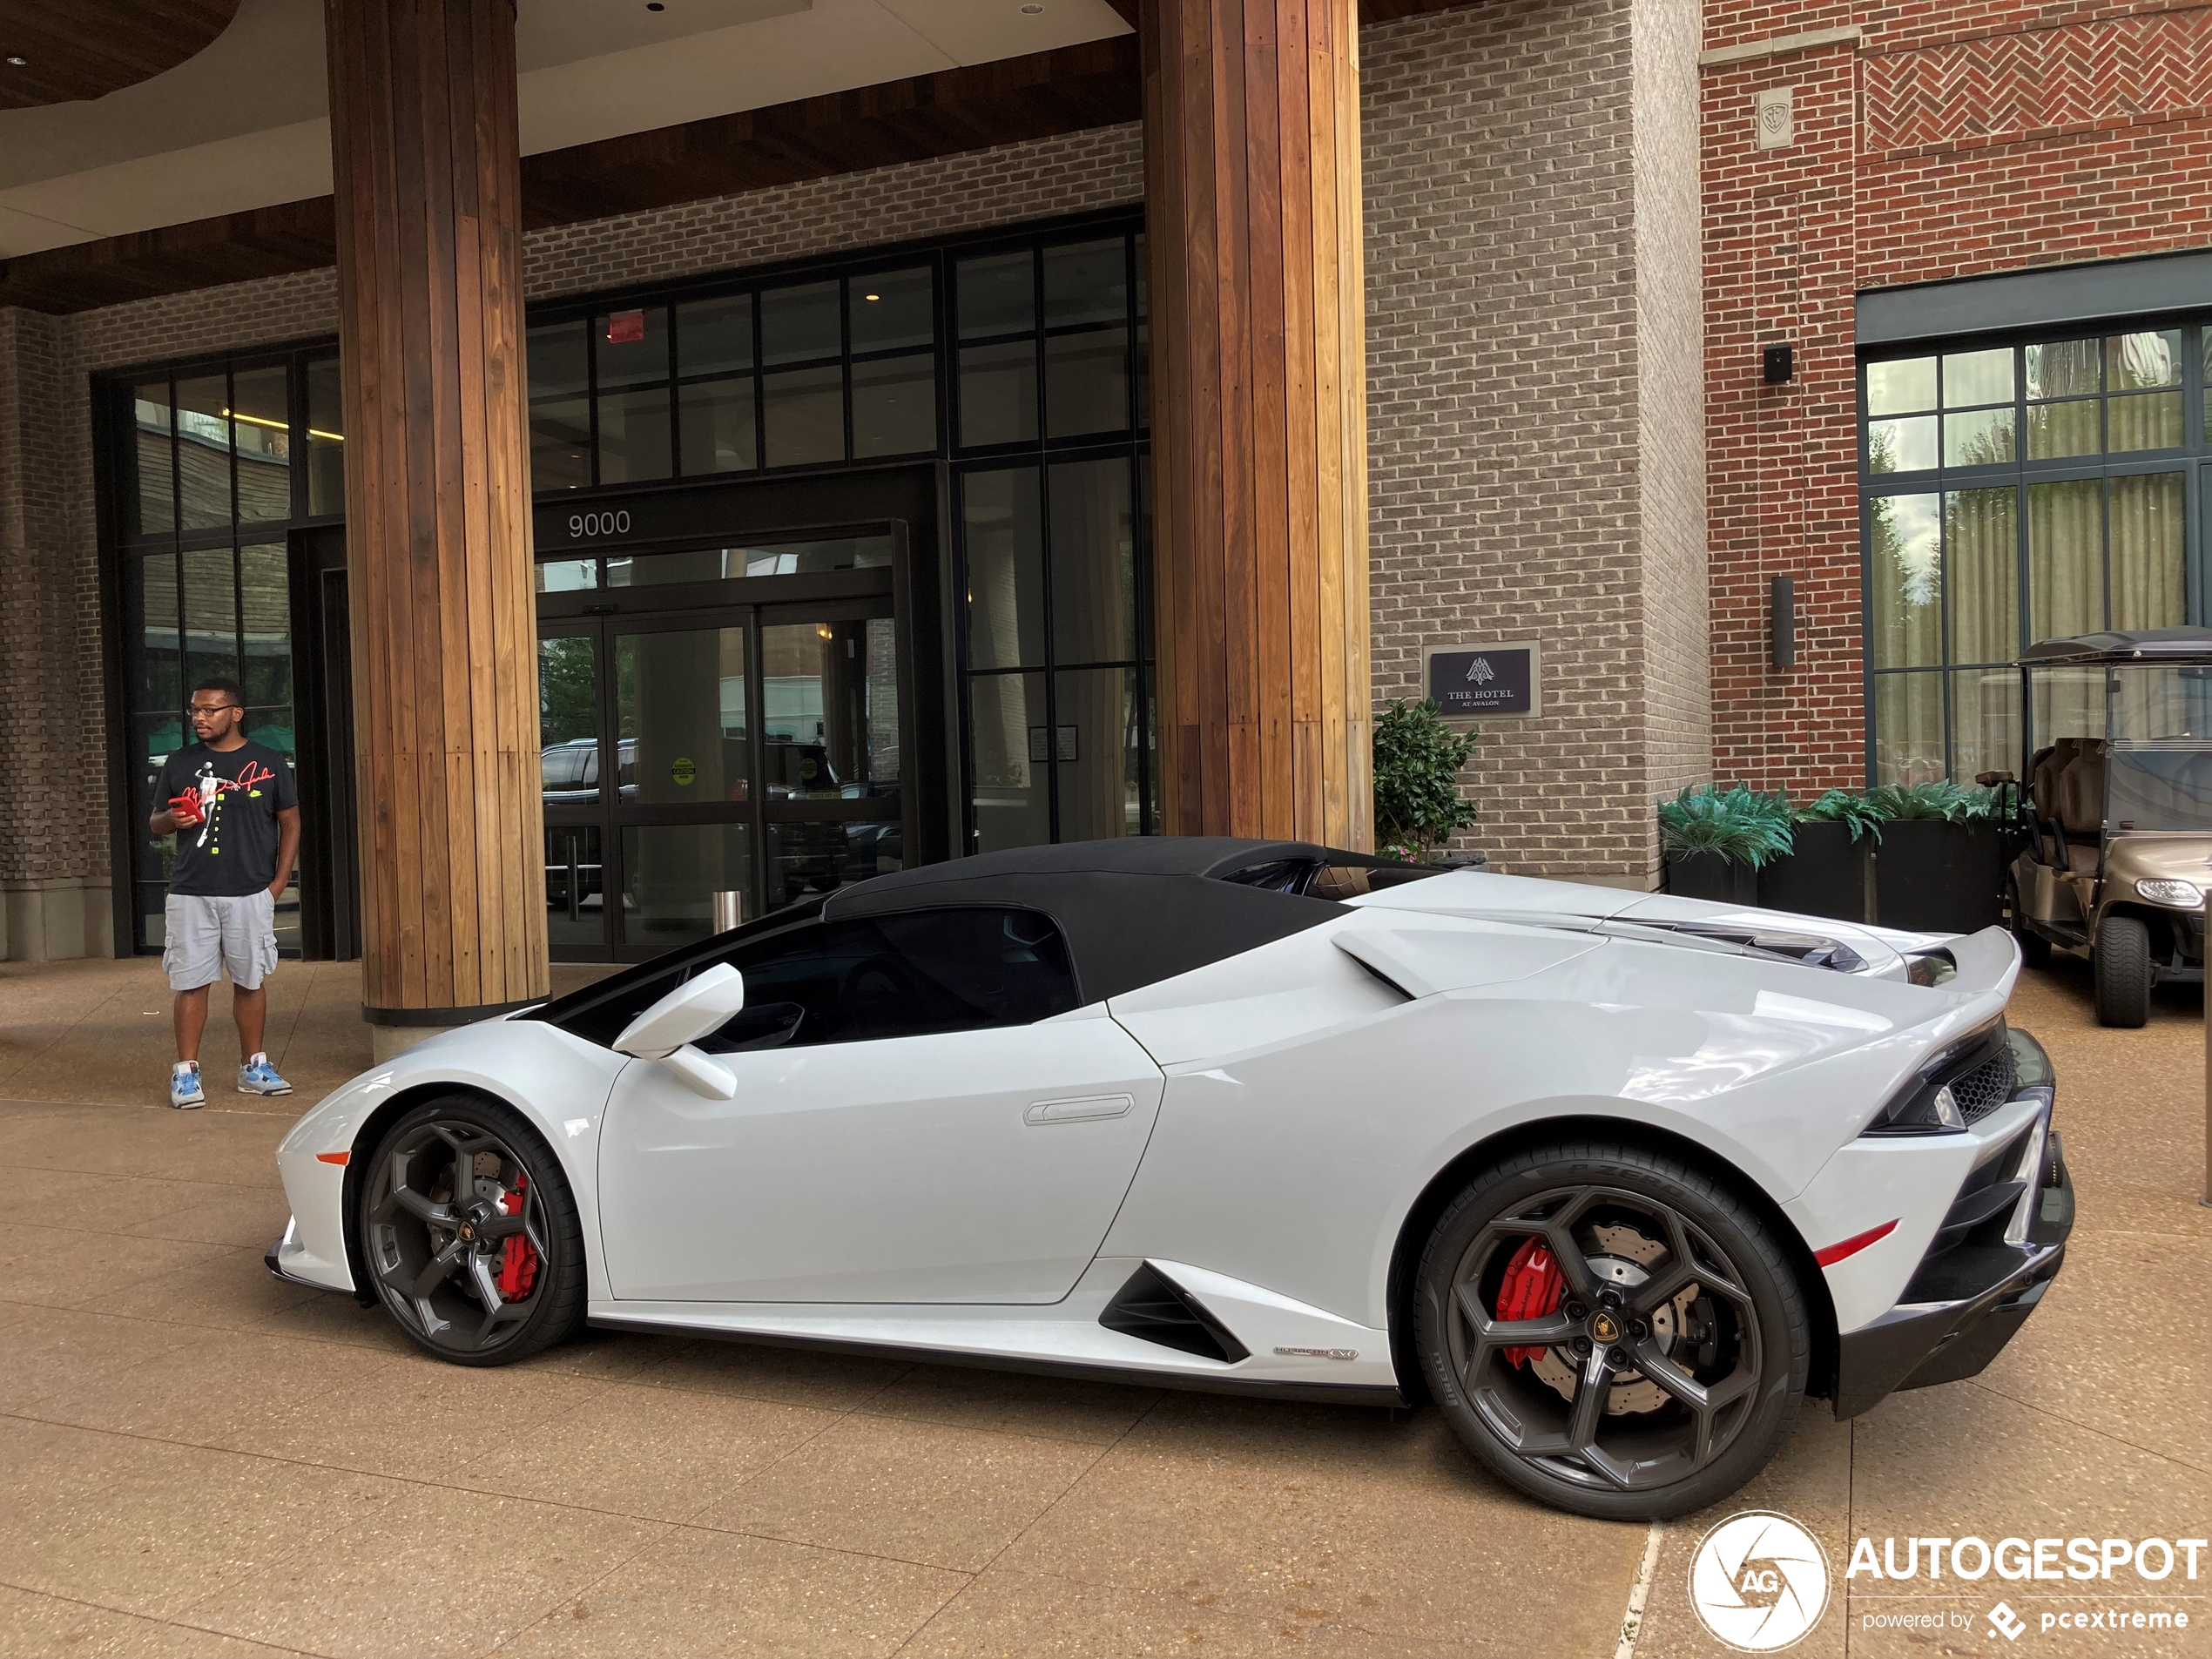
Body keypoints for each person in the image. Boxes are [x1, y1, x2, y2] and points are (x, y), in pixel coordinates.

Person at [148, 678, 301, 1108]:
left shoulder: (269, 762)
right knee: (191, 983)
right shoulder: (179, 762)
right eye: (195, 710)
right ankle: (186, 1074)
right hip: (191, 891)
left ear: (236, 713)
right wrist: (171, 822)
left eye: (210, 710)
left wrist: (277, 883)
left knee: (251, 980)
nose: (199, 717)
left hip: (251, 890)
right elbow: (155, 821)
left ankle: (253, 1067)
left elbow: (291, 822)